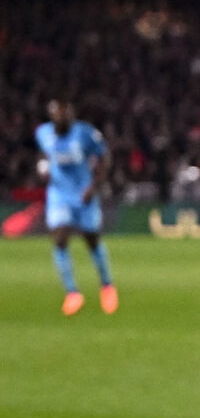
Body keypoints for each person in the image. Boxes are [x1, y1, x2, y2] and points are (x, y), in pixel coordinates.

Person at [36, 100, 118, 316]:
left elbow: (105, 157)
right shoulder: (43, 133)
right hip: (59, 194)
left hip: (84, 193)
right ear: (53, 117)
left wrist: (95, 186)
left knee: (91, 239)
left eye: (68, 116)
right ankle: (72, 293)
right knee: (60, 238)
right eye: (61, 116)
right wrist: (42, 168)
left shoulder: (85, 133)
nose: (65, 120)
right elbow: (44, 154)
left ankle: (107, 285)